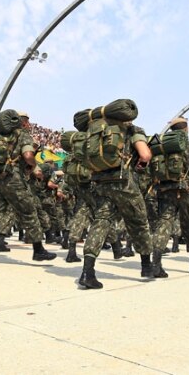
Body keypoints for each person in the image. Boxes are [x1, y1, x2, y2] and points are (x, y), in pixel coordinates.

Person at [0, 110, 56, 269]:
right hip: (13, 178)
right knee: (28, 211)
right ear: (23, 121)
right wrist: (34, 166)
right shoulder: (22, 134)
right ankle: (38, 249)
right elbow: (28, 155)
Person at [77, 107, 154, 289]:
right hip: (123, 182)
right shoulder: (131, 130)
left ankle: (88, 272)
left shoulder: (95, 129)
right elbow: (145, 154)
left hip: (101, 181)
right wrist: (142, 164)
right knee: (139, 221)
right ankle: (147, 266)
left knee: (101, 221)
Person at [149, 117, 189, 276]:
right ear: (186, 129)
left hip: (164, 189)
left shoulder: (161, 146)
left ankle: (156, 264)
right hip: (184, 189)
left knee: (164, 223)